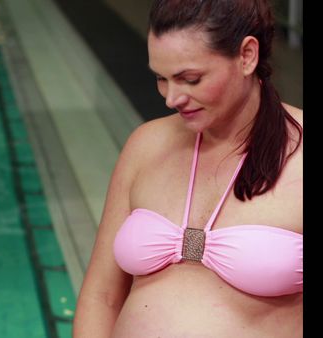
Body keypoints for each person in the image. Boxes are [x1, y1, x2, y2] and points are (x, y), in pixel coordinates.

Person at [72, 0, 303, 337]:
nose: (171, 98)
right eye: (161, 79)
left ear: (247, 56)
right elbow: (102, 296)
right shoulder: (146, 145)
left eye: (190, 79)